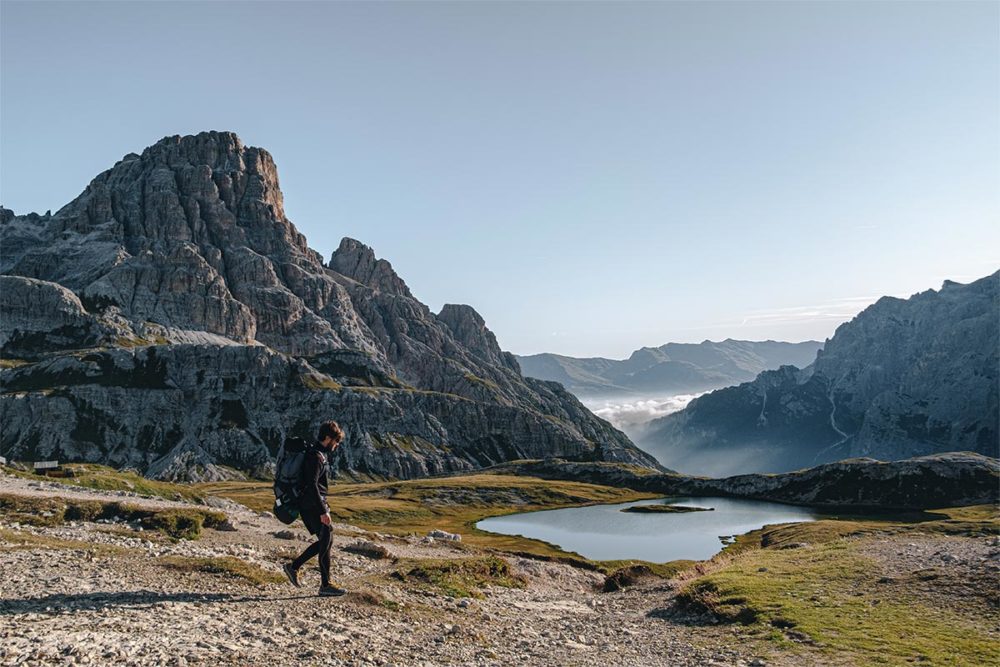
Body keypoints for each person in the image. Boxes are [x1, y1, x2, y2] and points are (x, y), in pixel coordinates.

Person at [283, 421, 346, 596]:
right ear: (327, 438)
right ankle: (315, 580)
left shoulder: (317, 454)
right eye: (336, 440)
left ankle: (315, 579)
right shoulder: (316, 457)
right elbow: (312, 485)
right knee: (326, 540)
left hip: (313, 504)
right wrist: (322, 511)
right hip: (312, 506)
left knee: (327, 540)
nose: (337, 444)